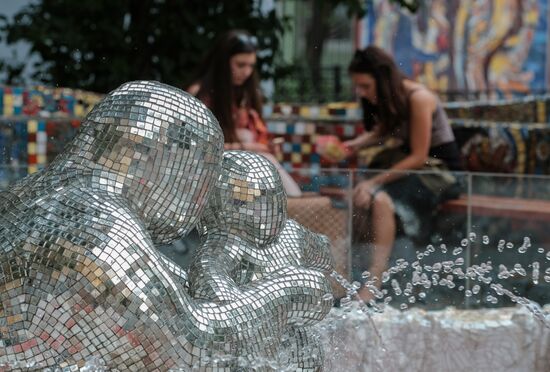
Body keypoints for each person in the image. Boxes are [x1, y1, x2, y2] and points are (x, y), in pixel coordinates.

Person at [342, 46, 462, 301]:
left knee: (381, 199)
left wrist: (373, 184)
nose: (361, 93)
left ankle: (374, 282)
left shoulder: (419, 97)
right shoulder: (396, 98)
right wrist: (354, 145)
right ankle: (356, 270)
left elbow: (419, 156)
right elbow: (385, 130)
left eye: (365, 86)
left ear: (382, 80)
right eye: (358, 87)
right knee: (362, 193)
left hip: (439, 173)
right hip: (415, 169)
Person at [187, 29, 302, 197]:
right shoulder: (200, 94)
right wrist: (251, 147)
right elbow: (196, 147)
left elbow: (256, 136)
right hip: (205, 174)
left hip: (243, 173)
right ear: (223, 63)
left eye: (251, 66)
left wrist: (264, 146)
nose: (247, 72)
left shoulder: (246, 95)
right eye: (240, 65)